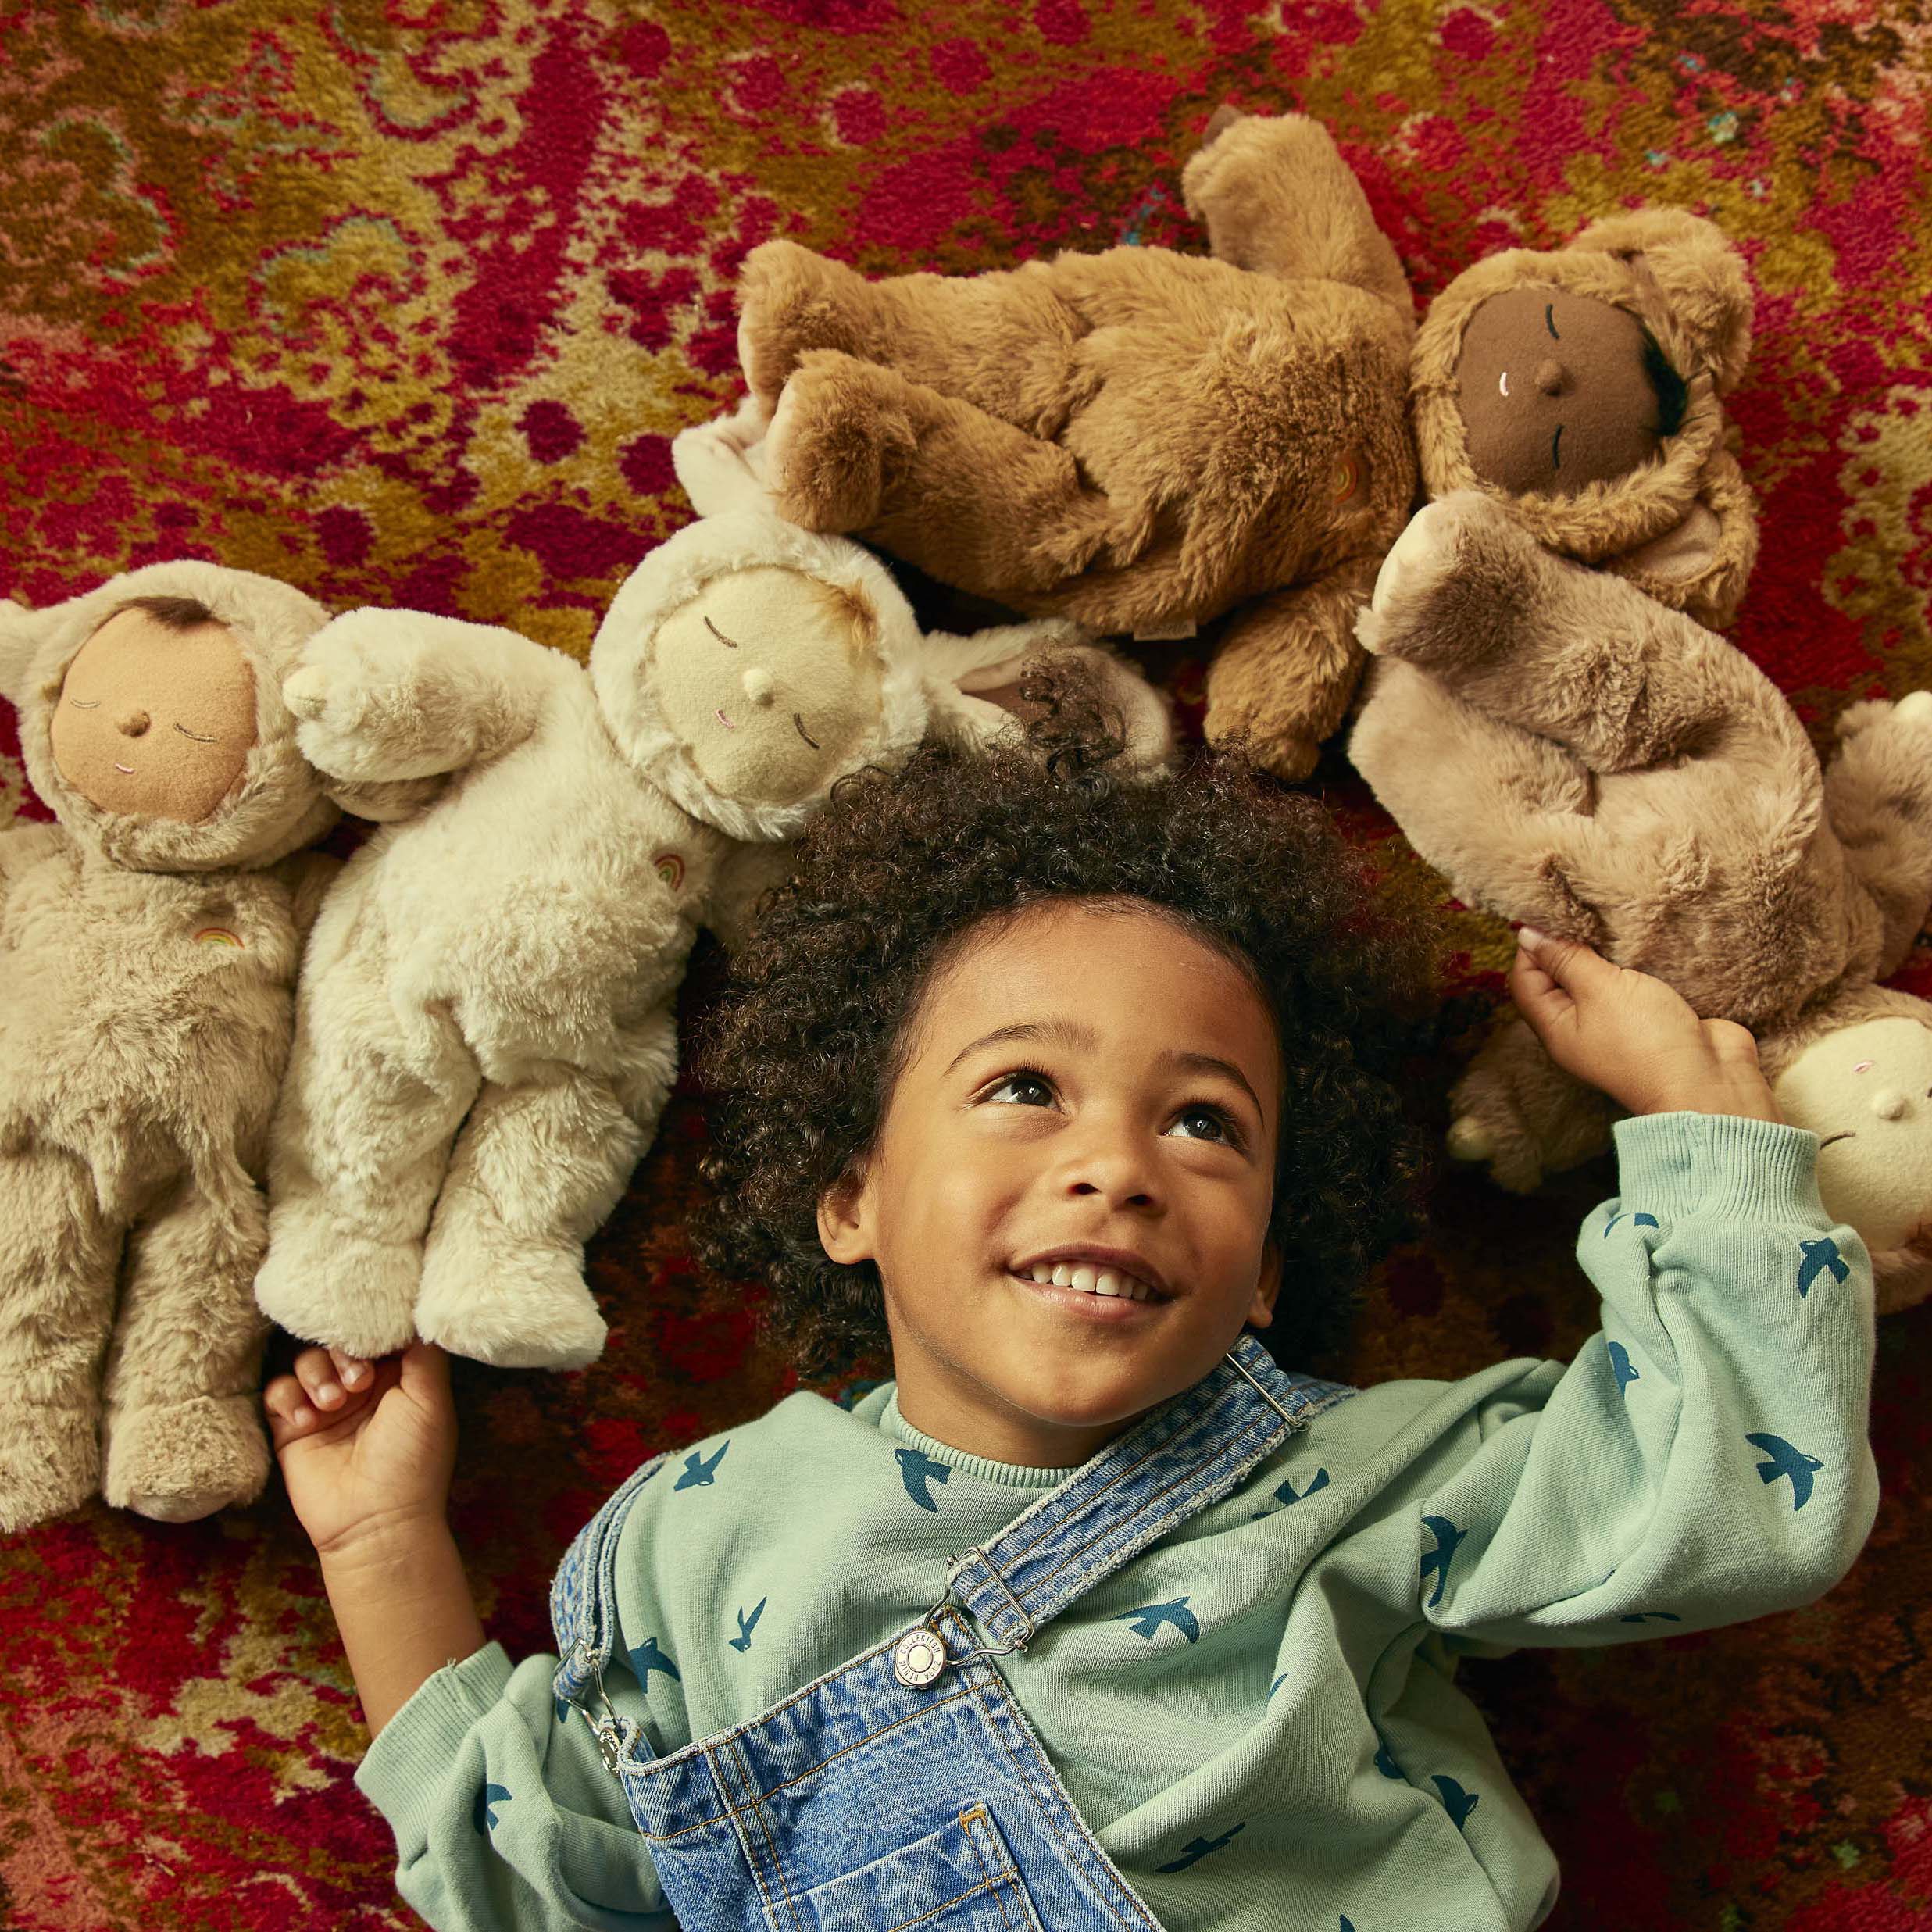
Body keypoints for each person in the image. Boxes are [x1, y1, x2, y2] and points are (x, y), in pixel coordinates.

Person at [268, 723, 1878, 1932]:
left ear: (1261, 1272)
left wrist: (1697, 1144)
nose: (1115, 1164)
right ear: (853, 1200)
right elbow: (536, 1873)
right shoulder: (702, 1539)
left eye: (1205, 1123)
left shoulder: (1356, 1475)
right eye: (1023, 1089)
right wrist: (378, 1541)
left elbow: (1732, 1496)